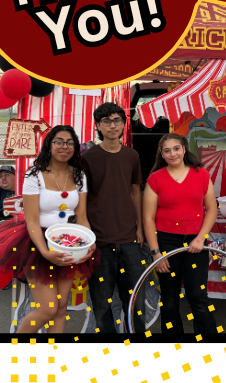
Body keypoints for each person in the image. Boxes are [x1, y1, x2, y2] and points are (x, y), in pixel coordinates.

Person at [0, 124, 96, 333]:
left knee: (61, 308)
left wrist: (89, 243)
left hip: (67, 243)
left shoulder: (80, 176)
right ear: (49, 145)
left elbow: (82, 217)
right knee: (48, 308)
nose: (64, 147)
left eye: (69, 143)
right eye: (58, 142)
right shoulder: (35, 175)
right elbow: (31, 220)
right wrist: (45, 252)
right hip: (36, 243)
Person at [82, 102, 148, 334]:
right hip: (99, 241)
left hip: (130, 239)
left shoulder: (132, 155)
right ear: (98, 126)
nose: (112, 125)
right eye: (106, 121)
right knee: (101, 304)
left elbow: (135, 191)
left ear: (123, 124)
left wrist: (140, 226)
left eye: (117, 120)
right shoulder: (88, 158)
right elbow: (83, 198)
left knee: (135, 302)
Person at [143, 133, 218, 335]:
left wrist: (201, 237)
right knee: (169, 298)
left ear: (184, 149)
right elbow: (148, 218)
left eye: (176, 148)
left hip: (196, 242)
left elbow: (211, 209)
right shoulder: (155, 179)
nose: (173, 153)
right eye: (167, 150)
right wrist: (156, 253)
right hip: (166, 243)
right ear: (162, 154)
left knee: (198, 297)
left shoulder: (201, 174)